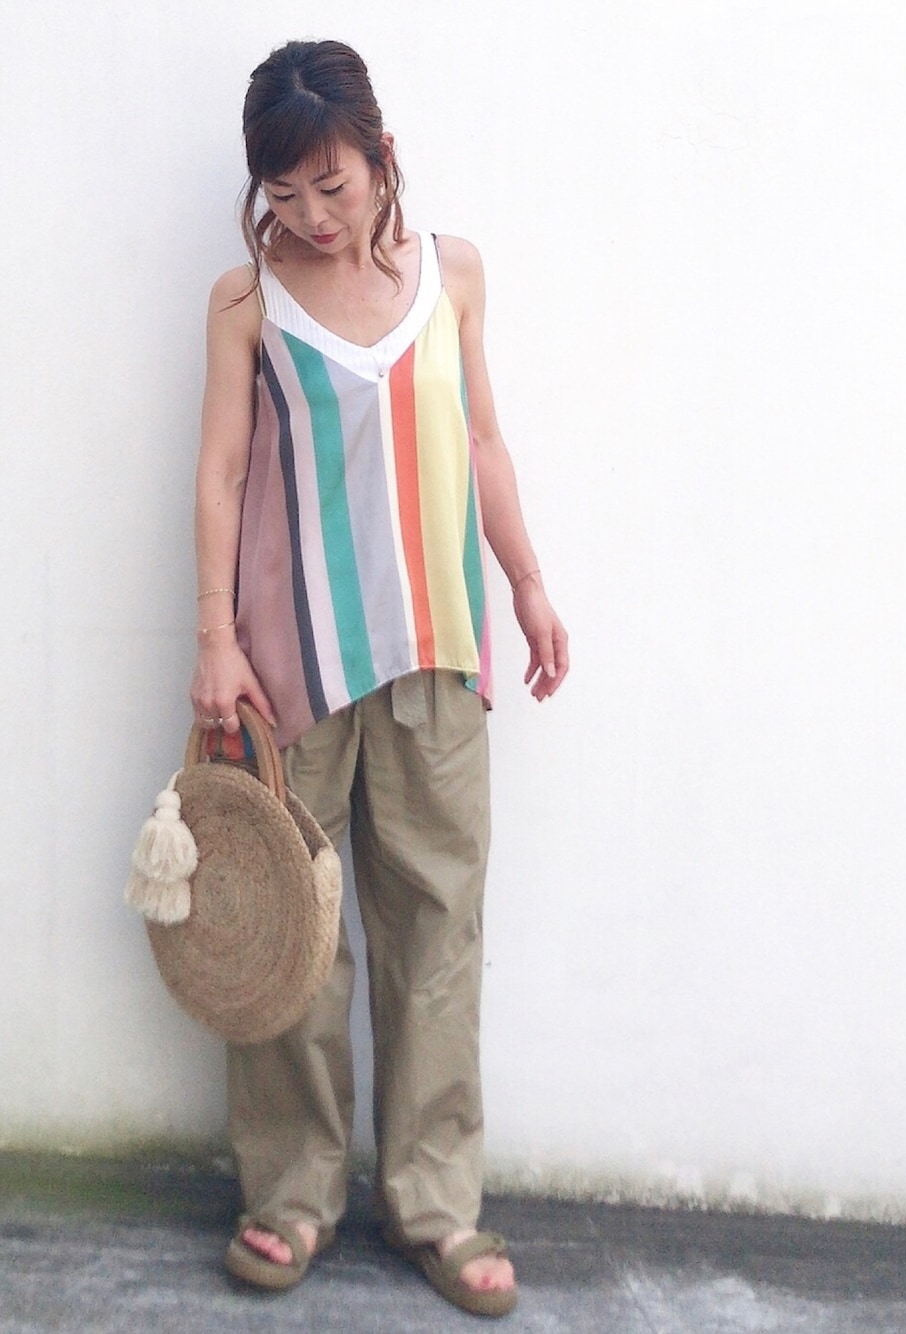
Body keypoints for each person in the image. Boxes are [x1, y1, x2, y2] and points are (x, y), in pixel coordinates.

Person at [189, 38, 568, 1320]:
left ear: (380, 154)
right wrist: (213, 638)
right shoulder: (246, 302)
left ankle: (437, 1206)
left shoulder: (452, 274)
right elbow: (221, 474)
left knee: (436, 936)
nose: (310, 213)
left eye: (332, 183)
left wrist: (526, 582)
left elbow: (484, 439)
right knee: (289, 938)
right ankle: (291, 1195)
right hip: (288, 669)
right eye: (284, 191)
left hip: (439, 654)